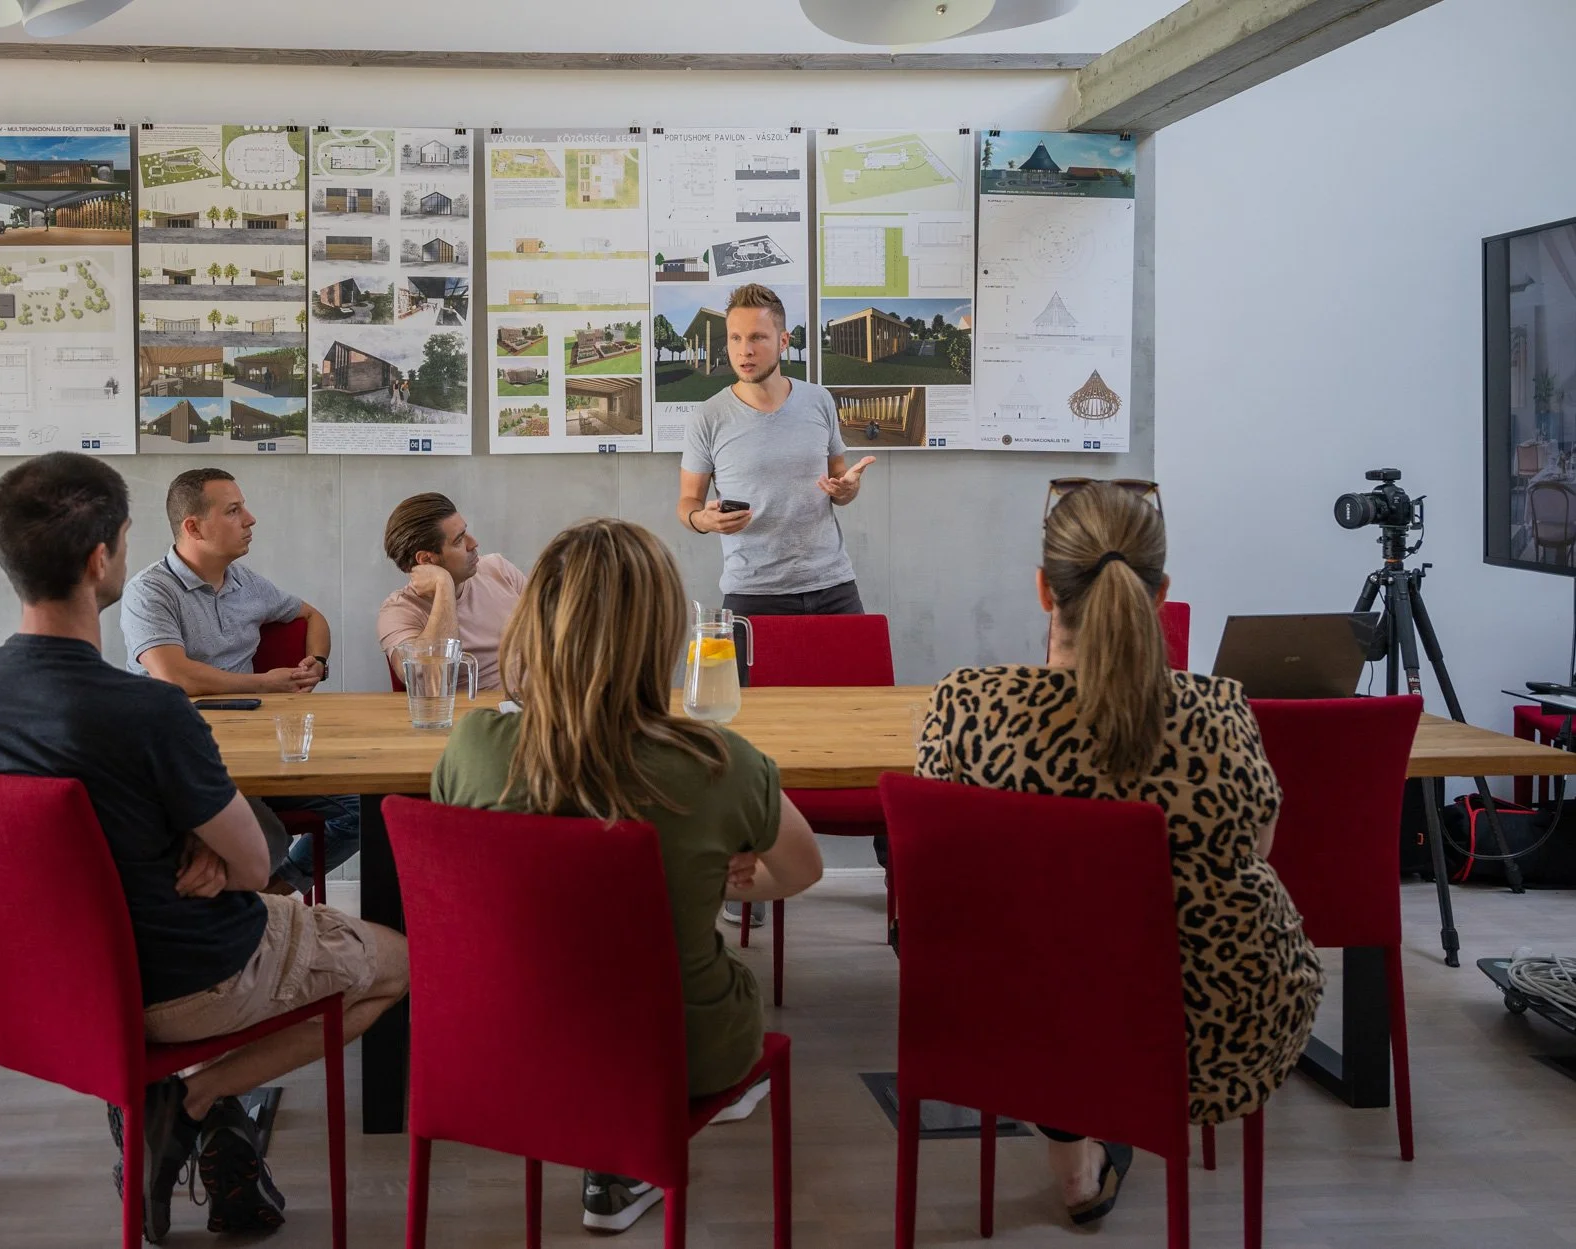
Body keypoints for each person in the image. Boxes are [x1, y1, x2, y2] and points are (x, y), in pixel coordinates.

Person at [0, 453, 408, 1244]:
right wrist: (216, 850)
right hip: (183, 978)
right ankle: (190, 1099)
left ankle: (200, 1110)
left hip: (39, 980)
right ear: (102, 559)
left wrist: (188, 837)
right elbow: (258, 867)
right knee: (402, 961)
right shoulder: (150, 710)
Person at [913, 481, 1323, 1228]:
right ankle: (1089, 1137)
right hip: (1210, 1028)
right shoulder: (1220, 715)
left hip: (1015, 1025)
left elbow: (941, 875)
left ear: (1044, 590)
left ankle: (1073, 1141)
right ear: (1161, 592)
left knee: (1047, 965)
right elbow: (1258, 847)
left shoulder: (965, 707)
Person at [430, 517, 824, 1233]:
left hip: (510, 1039)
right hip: (681, 1047)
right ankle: (635, 1141)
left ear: (536, 622)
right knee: (714, 983)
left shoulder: (475, 745)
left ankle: (608, 1141)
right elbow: (800, 868)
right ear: (664, 631)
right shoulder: (721, 764)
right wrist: (725, 876)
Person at [678, 284, 876, 928]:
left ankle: (894, 859)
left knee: (858, 721)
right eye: (734, 338)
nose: (743, 348)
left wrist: (844, 490)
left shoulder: (818, 400)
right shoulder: (708, 416)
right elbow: (686, 507)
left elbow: (840, 481)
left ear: (784, 340)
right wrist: (705, 521)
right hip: (751, 595)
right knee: (742, 742)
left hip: (831, 584)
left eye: (757, 336)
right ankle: (747, 876)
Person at [121, 468, 358, 897]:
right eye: (234, 511)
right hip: (185, 759)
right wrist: (263, 684)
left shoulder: (246, 582)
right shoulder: (149, 591)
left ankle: (272, 896)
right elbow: (172, 674)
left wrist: (316, 661)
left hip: (258, 750)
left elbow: (311, 616)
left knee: (365, 809)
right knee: (261, 839)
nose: (250, 519)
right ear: (193, 527)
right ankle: (242, 909)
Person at [375, 492, 527, 684]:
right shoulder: (398, 612)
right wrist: (443, 585)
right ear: (427, 560)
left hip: (543, 704)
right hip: (479, 711)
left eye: (466, 532)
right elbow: (425, 679)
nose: (473, 543)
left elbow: (557, 632)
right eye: (459, 540)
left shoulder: (499, 569)